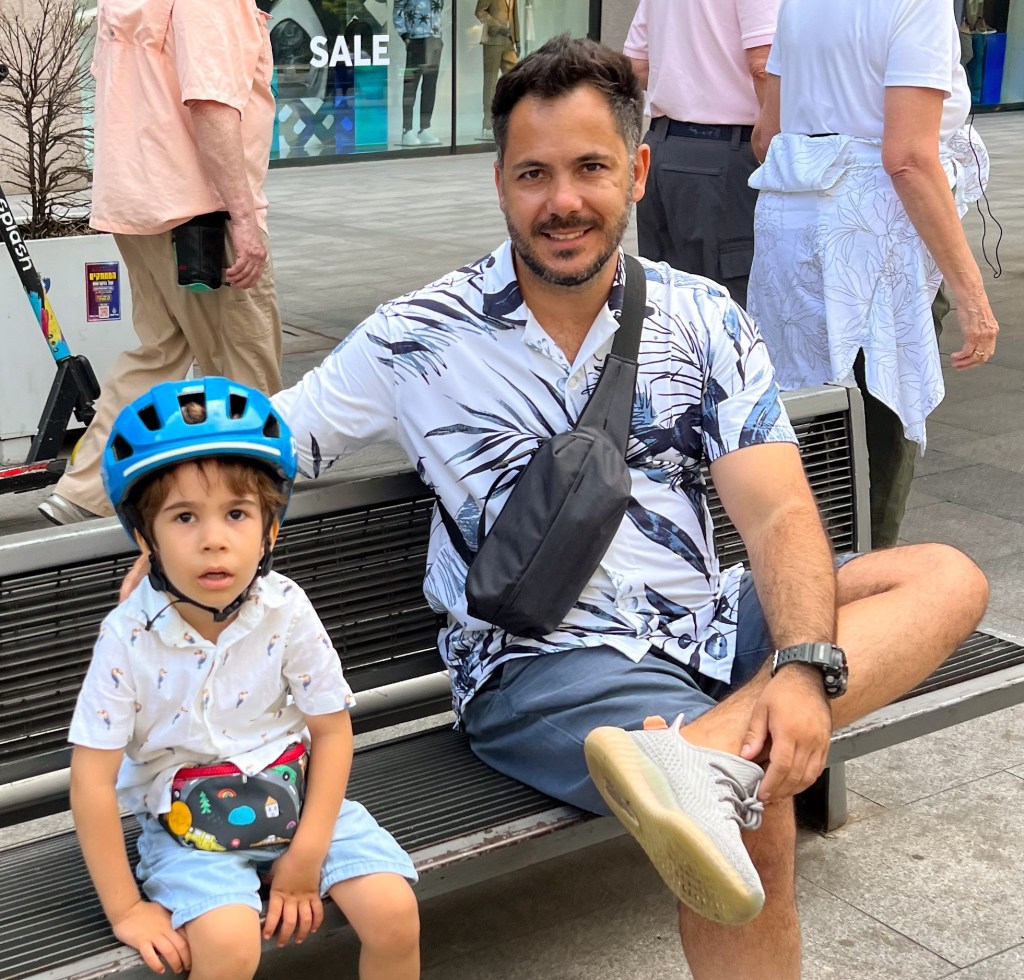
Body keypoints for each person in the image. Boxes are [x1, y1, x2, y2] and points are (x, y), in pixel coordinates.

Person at [271, 36, 985, 977]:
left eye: (591, 168)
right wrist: (166, 544)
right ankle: (717, 762)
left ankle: (704, 752)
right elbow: (257, 448)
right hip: (544, 663)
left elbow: (776, 515)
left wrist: (804, 667)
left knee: (944, 576)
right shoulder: (418, 337)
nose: (562, 200)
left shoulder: (702, 317)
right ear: (500, 184)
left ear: (638, 172)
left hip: (708, 623)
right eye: (534, 174)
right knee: (757, 806)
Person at [70, 378, 419, 980]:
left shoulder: (286, 608)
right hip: (186, 828)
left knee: (394, 913)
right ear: (145, 539)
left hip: (300, 799)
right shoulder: (128, 639)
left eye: (237, 513)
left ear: (270, 531)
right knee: (229, 945)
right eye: (184, 517)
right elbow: (92, 781)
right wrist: (126, 909)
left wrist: (306, 856)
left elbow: (331, 732)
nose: (214, 540)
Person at [746, 0, 999, 548]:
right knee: (881, 424)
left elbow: (766, 135)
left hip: (791, 230)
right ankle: (863, 574)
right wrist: (972, 296)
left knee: (802, 414)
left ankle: (796, 563)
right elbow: (907, 158)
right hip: (875, 242)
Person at [39, 0, 284, 527]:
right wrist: (243, 217)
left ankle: (86, 489)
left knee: (157, 354)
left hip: (140, 205)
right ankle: (256, 500)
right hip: (200, 214)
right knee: (244, 361)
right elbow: (210, 105)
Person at [623, 0, 778, 309]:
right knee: (731, 309)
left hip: (663, 148)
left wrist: (689, 84)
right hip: (729, 155)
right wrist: (776, 145)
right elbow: (763, 64)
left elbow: (636, 66)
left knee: (666, 304)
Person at [394, 0, 445, 147]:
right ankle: (407, 130)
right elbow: (397, 10)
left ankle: (425, 128)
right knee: (410, 87)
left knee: (430, 87)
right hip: (416, 39)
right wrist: (405, 37)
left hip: (434, 39)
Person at [475, 0, 519, 139]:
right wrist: (497, 26)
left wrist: (517, 40)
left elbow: (514, 15)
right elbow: (480, 11)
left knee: (515, 78)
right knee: (491, 81)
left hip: (509, 41)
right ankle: (488, 121)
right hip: (493, 41)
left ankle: (512, 117)